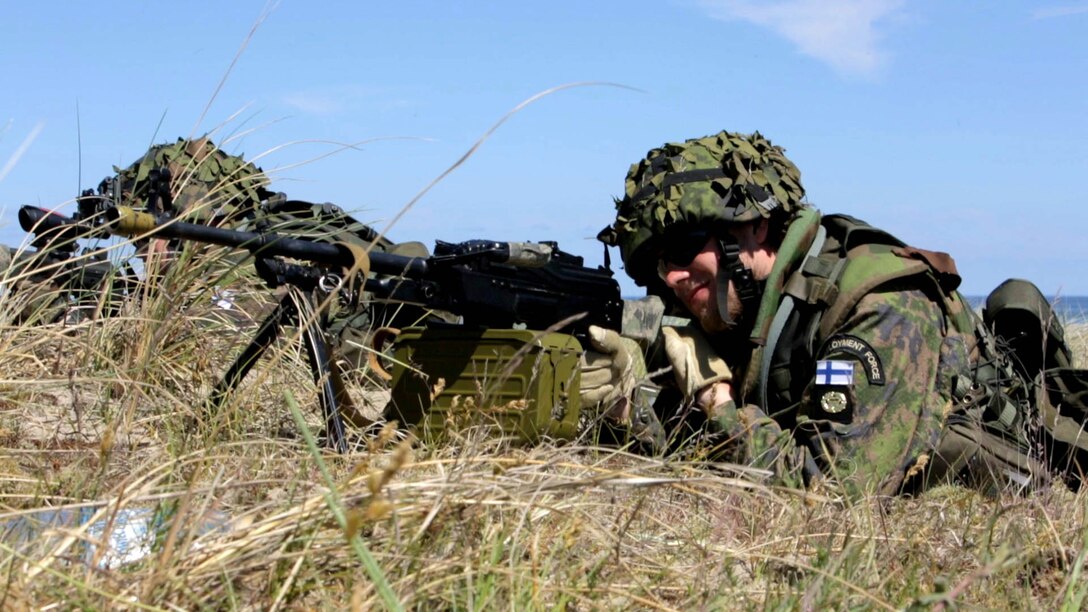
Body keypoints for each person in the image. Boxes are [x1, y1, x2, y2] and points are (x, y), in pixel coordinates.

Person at [583, 129, 1085, 497]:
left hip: (1024, 487)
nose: (671, 276)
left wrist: (715, 400)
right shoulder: (751, 307)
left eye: (686, 245)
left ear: (755, 227)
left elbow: (835, 490)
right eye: (656, 264)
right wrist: (626, 405)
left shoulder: (879, 306)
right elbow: (701, 448)